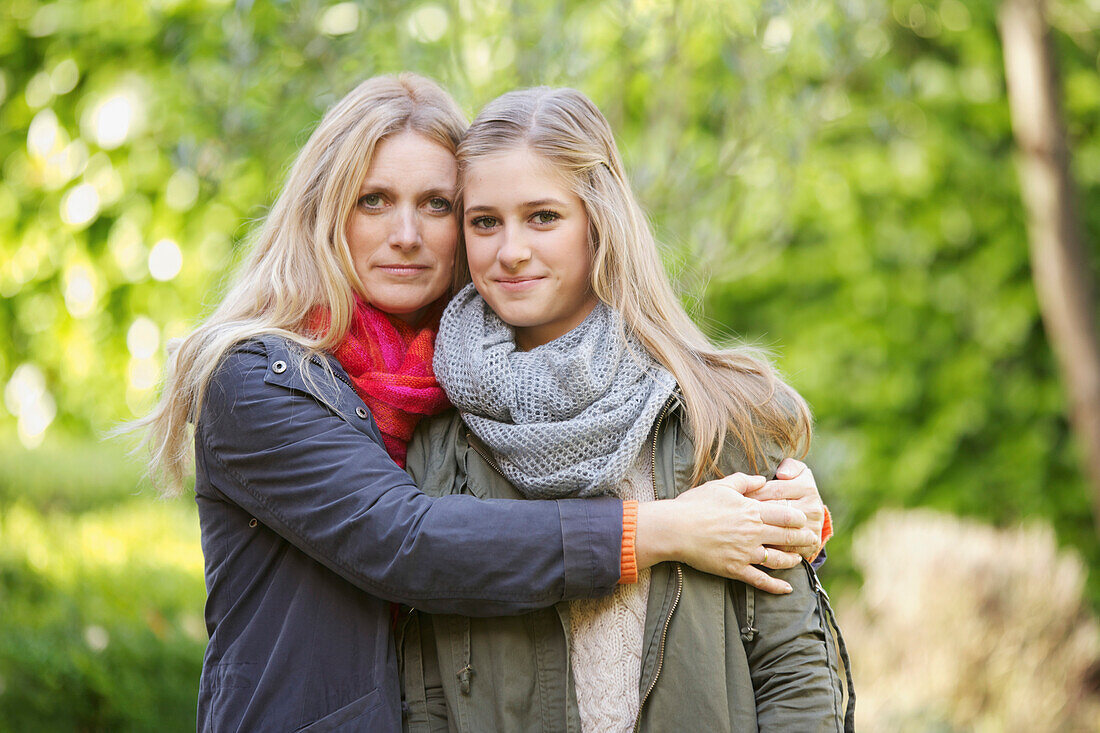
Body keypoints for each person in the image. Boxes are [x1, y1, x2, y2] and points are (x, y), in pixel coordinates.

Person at [129, 74, 828, 732]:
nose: (408, 233)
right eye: (373, 199)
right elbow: (413, 542)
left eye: (437, 205)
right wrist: (664, 528)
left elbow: (789, 652)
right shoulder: (264, 379)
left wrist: (786, 511)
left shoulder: (460, 384)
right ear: (323, 211)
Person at [400, 86, 853, 732]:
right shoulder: (441, 441)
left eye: (544, 216)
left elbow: (793, 668)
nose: (511, 250)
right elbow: (427, 694)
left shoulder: (712, 412)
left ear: (598, 220)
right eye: (485, 221)